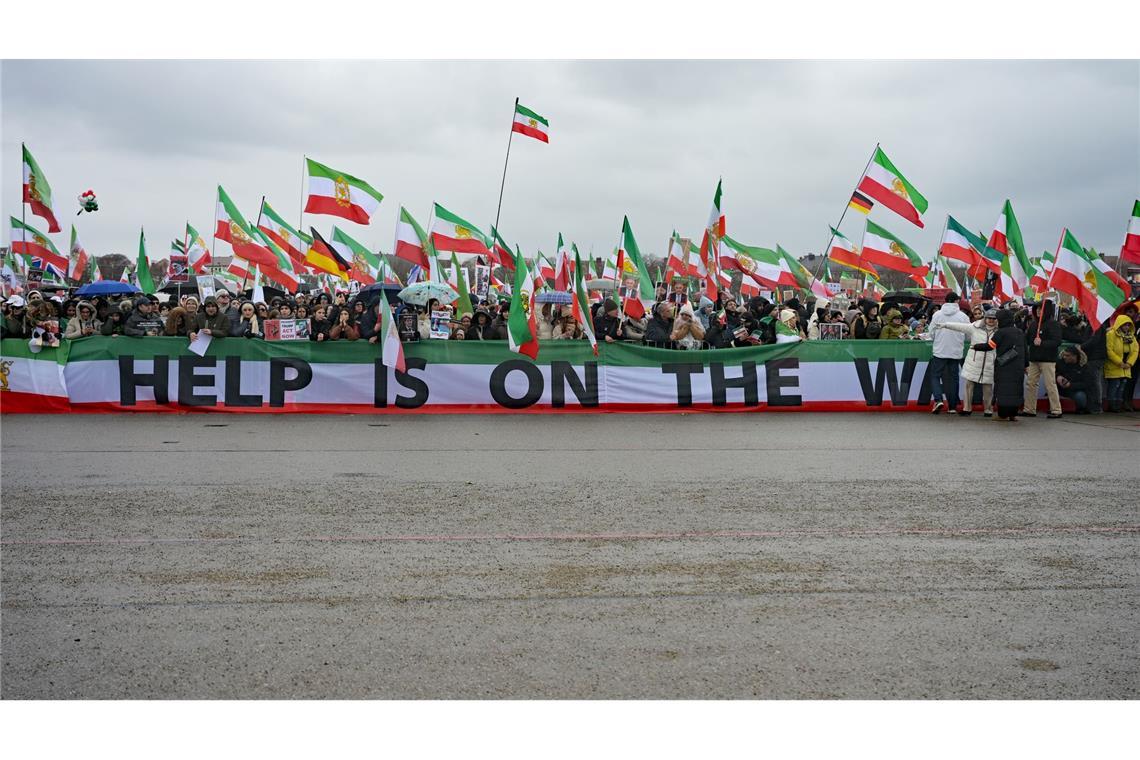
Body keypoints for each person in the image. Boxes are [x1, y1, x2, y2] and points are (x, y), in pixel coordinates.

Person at [939, 308, 999, 417]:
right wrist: (946, 324)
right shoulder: (974, 327)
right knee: (969, 385)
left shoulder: (1000, 331)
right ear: (985, 318)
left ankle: (988, 410)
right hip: (974, 361)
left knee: (988, 387)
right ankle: (967, 408)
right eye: (989, 318)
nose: (991, 320)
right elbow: (960, 327)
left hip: (990, 362)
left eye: (994, 319)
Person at [927, 292, 970, 414]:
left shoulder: (937, 314)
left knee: (935, 376)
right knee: (954, 378)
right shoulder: (963, 316)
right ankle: (952, 406)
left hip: (940, 350)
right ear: (956, 301)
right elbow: (968, 335)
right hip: (956, 351)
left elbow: (931, 333)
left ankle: (938, 399)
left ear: (946, 301)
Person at [1021, 300, 1063, 418]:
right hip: (1034, 358)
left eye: (1041, 309)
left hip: (1048, 360)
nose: (1039, 311)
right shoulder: (1034, 324)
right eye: (1037, 309)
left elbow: (1057, 341)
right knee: (1031, 383)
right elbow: (1028, 339)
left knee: (1050, 384)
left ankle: (1056, 409)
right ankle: (1029, 409)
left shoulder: (1054, 324)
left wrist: (1042, 343)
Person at [991, 309, 1026, 421]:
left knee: (1003, 391)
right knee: (1016, 390)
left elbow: (990, 345)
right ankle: (1013, 414)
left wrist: (977, 347)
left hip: (1004, 366)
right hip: (1018, 368)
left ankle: (1002, 415)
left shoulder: (1000, 333)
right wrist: (1026, 364)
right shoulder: (1020, 332)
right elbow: (1025, 349)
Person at [1104, 314, 1137, 413]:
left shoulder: (1131, 336)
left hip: (1126, 366)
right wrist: (1119, 362)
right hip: (1114, 365)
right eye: (1125, 325)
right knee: (1115, 385)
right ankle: (1112, 405)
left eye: (1128, 325)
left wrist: (1129, 363)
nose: (1127, 327)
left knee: (1122, 386)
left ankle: (1118, 405)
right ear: (1119, 324)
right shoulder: (1111, 334)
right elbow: (1109, 350)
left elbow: (1135, 350)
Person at [1055, 345, 1091, 414]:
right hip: (1060, 388)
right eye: (1064, 355)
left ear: (1075, 356)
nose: (1065, 357)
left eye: (1067, 356)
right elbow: (1051, 373)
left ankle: (1080, 409)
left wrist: (1070, 385)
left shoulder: (1084, 366)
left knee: (1080, 397)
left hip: (1074, 390)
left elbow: (1087, 384)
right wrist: (1058, 376)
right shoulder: (1060, 362)